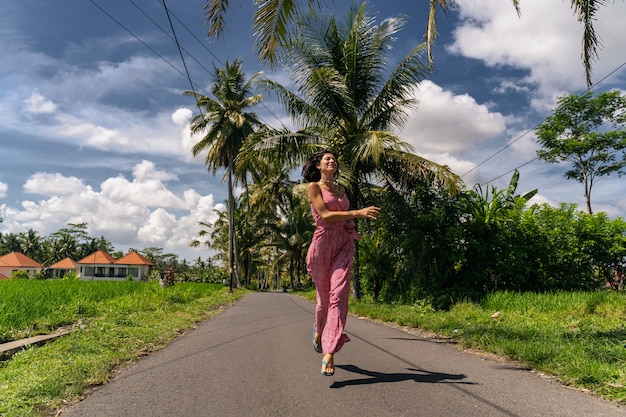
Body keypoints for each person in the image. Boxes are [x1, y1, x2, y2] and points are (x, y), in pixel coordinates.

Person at [302, 149, 381, 376]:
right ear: (318, 165)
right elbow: (325, 216)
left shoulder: (341, 190)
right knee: (323, 301)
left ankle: (329, 353)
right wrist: (358, 213)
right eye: (327, 158)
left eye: (334, 159)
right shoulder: (314, 188)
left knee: (338, 296)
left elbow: (344, 218)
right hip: (322, 244)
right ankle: (319, 331)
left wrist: (352, 229)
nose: (332, 161)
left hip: (343, 244)